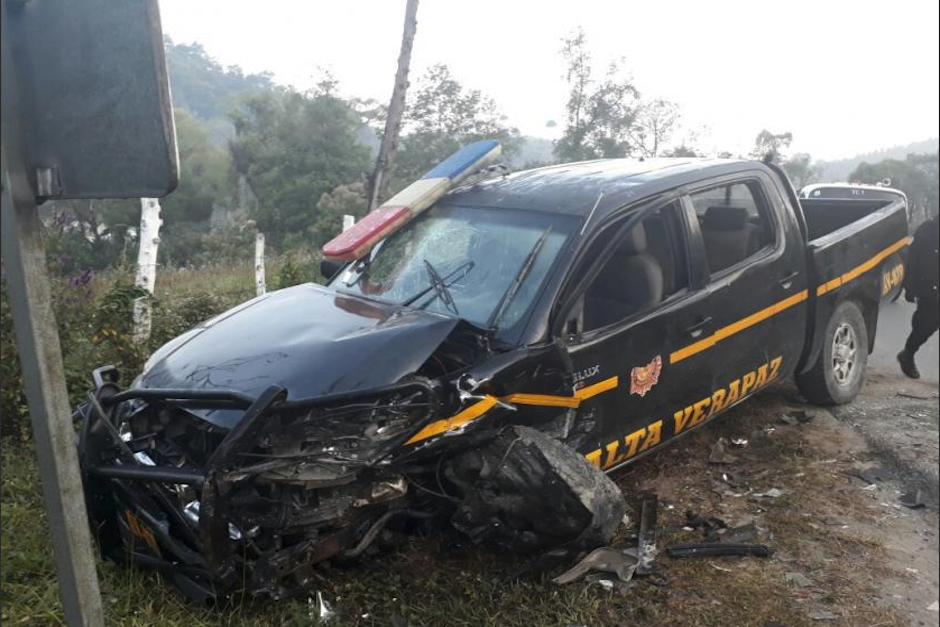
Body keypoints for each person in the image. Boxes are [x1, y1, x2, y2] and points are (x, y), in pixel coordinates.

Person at [897, 211, 939, 379]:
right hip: (930, 288)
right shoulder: (928, 231)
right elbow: (912, 259)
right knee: (924, 327)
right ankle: (907, 354)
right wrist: (910, 287)